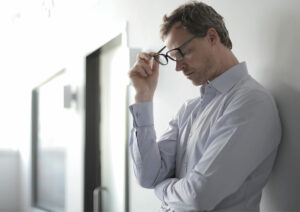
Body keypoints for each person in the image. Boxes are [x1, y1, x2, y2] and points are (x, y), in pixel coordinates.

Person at [128, 1, 281, 212]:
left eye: (183, 53)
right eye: (172, 58)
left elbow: (197, 197)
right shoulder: (189, 110)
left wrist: (161, 189)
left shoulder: (251, 102)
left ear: (212, 37)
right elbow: (148, 176)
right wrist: (143, 96)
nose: (178, 67)